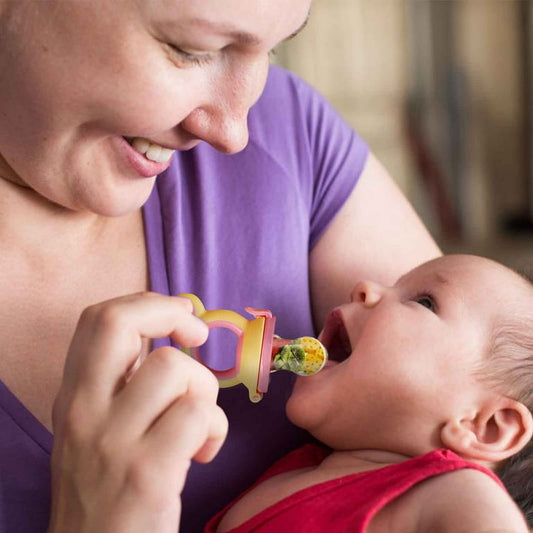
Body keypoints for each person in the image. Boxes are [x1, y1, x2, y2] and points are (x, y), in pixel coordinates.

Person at [0, 1, 441, 531]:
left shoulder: (291, 132)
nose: (233, 133)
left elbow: (480, 397)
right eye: (193, 49)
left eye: (273, 47)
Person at [206, 254, 533, 533]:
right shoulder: (292, 469)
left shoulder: (454, 493)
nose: (364, 287)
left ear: (485, 425)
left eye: (424, 301)